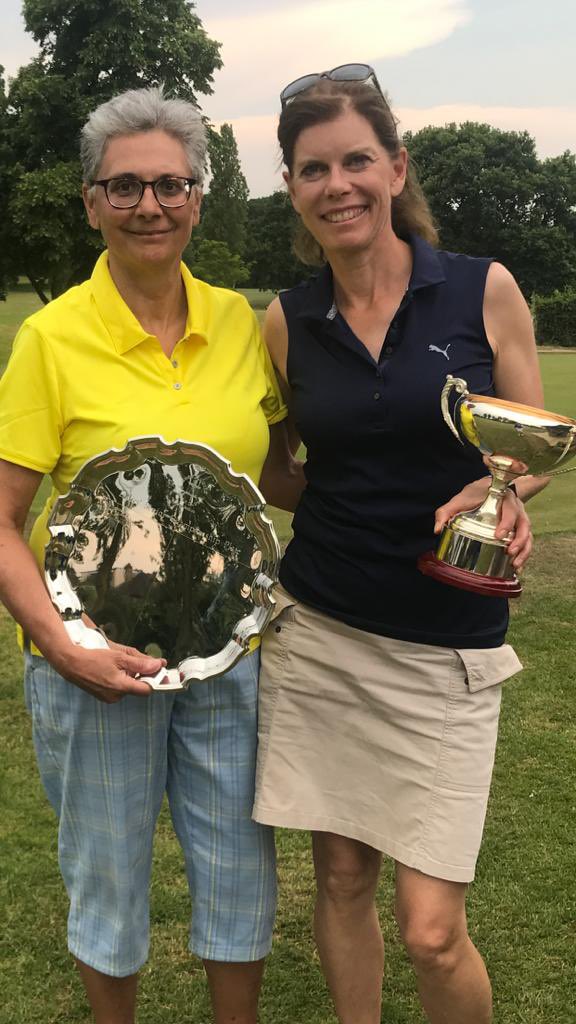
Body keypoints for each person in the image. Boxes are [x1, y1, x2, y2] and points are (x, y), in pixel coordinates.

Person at [253, 65, 548, 1024]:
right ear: (292, 187)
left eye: (355, 161)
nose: (336, 183)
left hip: (449, 641)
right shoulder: (287, 321)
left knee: (430, 928)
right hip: (324, 633)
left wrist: (501, 494)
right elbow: (281, 472)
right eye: (312, 168)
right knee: (339, 882)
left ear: (394, 168)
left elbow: (532, 443)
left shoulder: (480, 289)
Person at [0, 87, 290, 1024]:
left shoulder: (243, 323)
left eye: (170, 184)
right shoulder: (49, 339)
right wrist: (63, 645)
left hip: (227, 651)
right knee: (109, 877)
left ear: (200, 196)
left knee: (239, 871)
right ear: (91, 202)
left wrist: (423, 505)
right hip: (92, 664)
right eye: (124, 187)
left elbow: (277, 481)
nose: (149, 206)